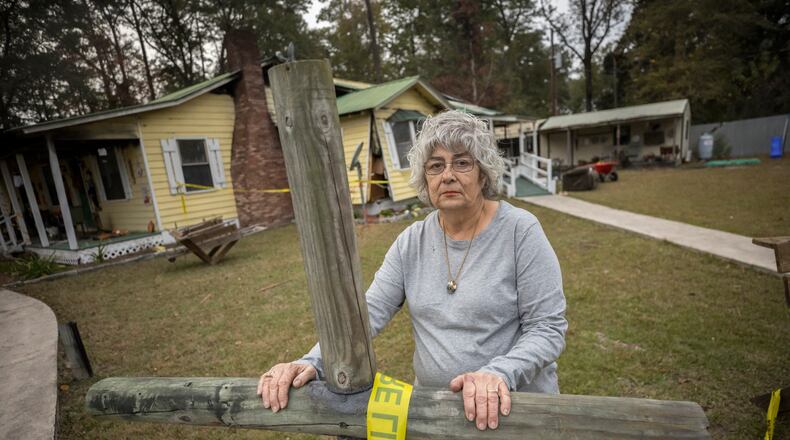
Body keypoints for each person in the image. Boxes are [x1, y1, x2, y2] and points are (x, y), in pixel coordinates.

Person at [258, 110, 567, 431]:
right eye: (435, 165)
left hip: (512, 409)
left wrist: (499, 373)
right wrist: (310, 361)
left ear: (484, 174)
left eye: (462, 162)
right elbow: (367, 316)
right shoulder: (411, 242)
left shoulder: (520, 231)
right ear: (425, 178)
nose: (447, 175)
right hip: (436, 413)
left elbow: (547, 328)